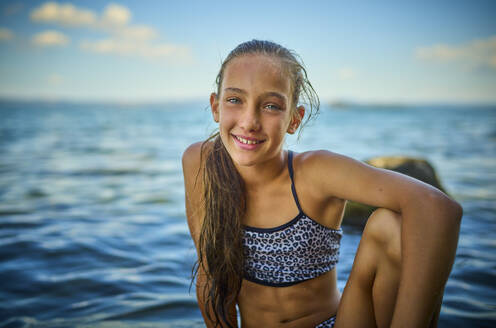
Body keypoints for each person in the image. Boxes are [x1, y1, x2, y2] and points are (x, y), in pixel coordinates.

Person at [182, 40, 462, 328]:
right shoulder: (201, 163)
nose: (249, 121)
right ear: (215, 107)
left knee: (390, 226)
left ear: (294, 119)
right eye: (235, 100)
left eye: (271, 106)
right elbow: (209, 272)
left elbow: (439, 208)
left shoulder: (315, 172)